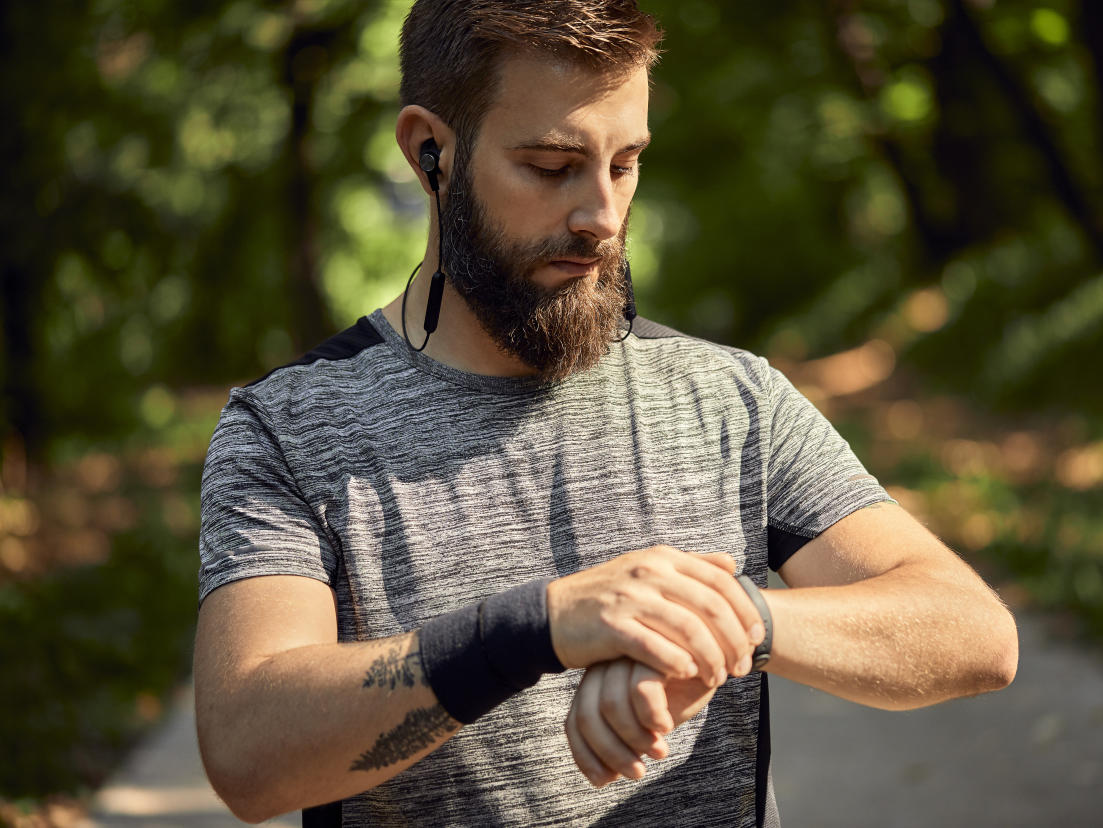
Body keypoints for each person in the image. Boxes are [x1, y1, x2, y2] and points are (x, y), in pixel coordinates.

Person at [193, 1, 1019, 825]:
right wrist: (539, 628)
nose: (603, 217)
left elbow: (974, 633)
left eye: (624, 164)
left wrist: (714, 622)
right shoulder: (288, 429)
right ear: (429, 151)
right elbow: (248, 754)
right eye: (552, 167)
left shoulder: (731, 398)